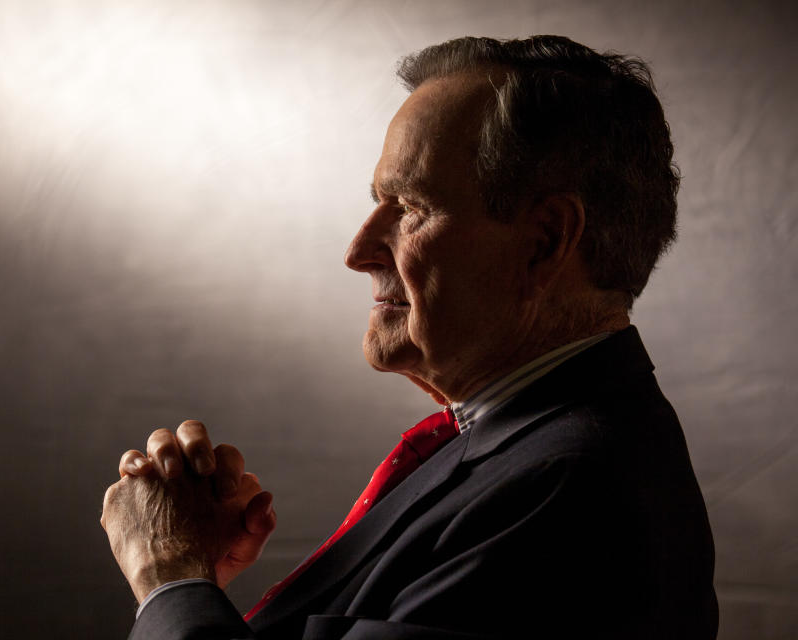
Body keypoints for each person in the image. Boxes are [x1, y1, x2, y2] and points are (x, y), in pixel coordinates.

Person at [100, 35, 718, 639]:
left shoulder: (566, 492)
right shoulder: (516, 440)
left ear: (546, 240)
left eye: (411, 205)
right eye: (379, 201)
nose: (359, 251)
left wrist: (171, 578)